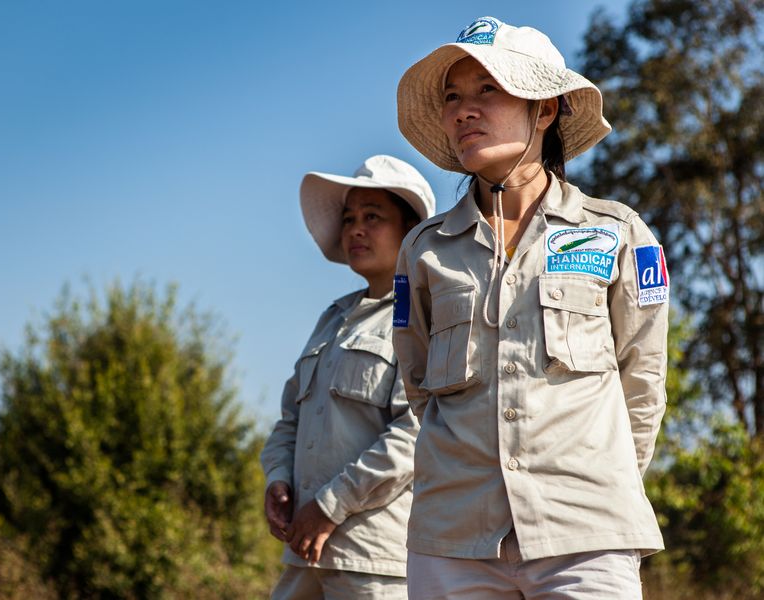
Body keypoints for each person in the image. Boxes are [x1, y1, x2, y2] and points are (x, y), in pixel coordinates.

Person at [392, 16, 669, 599]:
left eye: (487, 90)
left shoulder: (620, 233)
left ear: (546, 110)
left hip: (586, 537)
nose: (463, 110)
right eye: (451, 97)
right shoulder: (423, 251)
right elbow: (417, 384)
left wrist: (598, 486)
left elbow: (642, 382)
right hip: (452, 545)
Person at [261, 154, 436, 599]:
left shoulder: (423, 316)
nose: (356, 228)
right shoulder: (333, 318)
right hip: (304, 554)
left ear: (410, 231)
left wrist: (329, 506)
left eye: (373, 217)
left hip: (373, 559)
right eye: (349, 217)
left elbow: (415, 433)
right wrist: (277, 479)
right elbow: (289, 422)